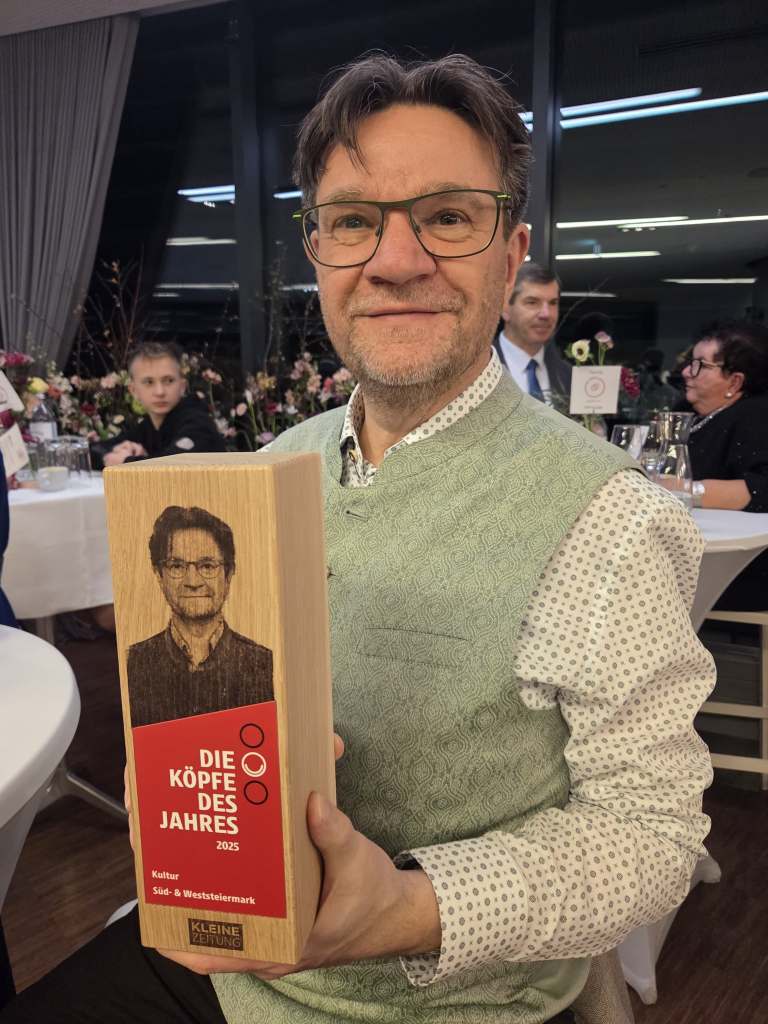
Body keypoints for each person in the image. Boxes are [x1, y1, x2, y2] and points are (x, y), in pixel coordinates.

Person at [1, 53, 715, 1024]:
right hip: (225, 960)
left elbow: (652, 832)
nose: (396, 259)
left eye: (449, 216)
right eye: (352, 221)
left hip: (450, 1002)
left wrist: (412, 906)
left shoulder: (610, 515)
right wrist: (173, 779)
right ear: (319, 253)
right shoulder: (271, 467)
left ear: (511, 255)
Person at [127, 505, 273, 727]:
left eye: (207, 566)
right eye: (177, 566)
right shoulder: (133, 663)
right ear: (159, 575)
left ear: (229, 575)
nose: (193, 581)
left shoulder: (264, 664)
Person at [682, 320, 768, 609]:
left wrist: (684, 490)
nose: (686, 372)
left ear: (734, 382)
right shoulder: (696, 416)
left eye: (699, 365)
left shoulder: (754, 417)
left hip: (737, 567)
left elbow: (762, 488)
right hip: (703, 552)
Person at [92, 341, 226, 469]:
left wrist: (126, 462)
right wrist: (117, 452)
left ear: (182, 386)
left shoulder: (198, 424)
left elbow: (175, 466)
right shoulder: (149, 427)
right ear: (133, 391)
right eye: (149, 382)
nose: (160, 392)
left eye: (168, 380)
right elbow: (95, 451)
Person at [494, 262, 571, 401]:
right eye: (532, 302)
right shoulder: (475, 370)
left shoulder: (568, 375)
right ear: (505, 308)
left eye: (553, 303)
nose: (546, 314)